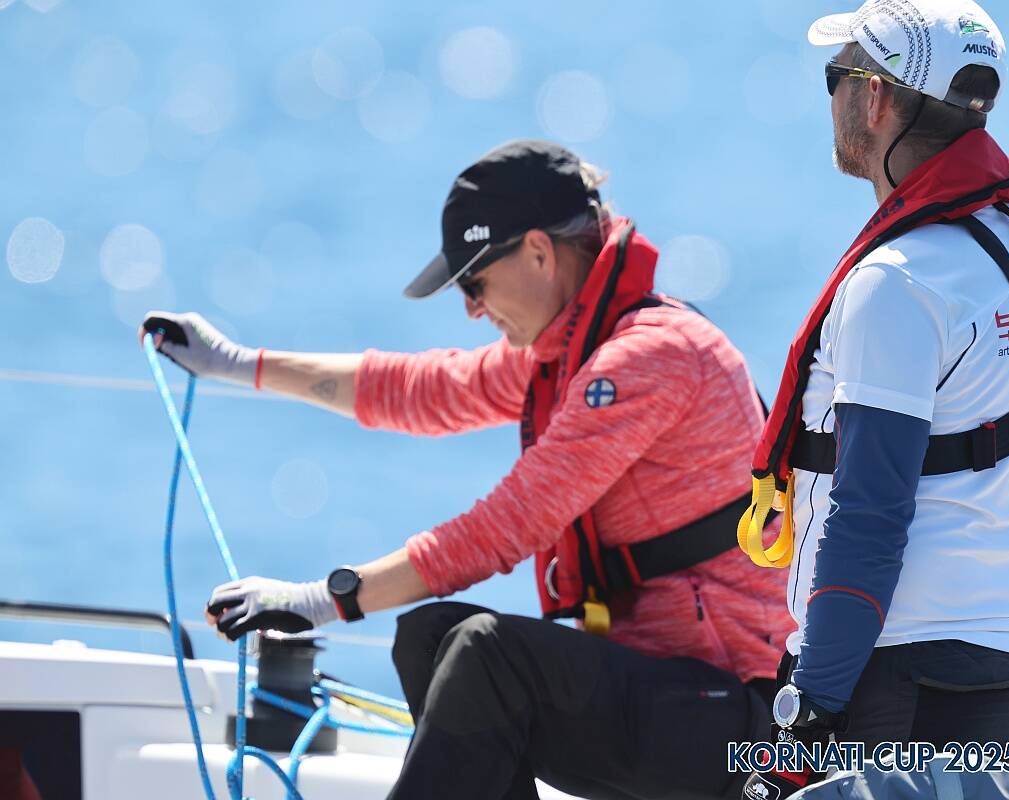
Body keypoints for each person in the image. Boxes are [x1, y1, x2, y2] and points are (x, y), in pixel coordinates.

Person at [141, 140, 793, 800]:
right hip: (663, 698)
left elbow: (507, 527)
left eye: (475, 281)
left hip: (745, 725)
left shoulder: (649, 358)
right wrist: (237, 363)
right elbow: (424, 389)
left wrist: (322, 600)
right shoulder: (572, 354)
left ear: (539, 252)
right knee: (430, 639)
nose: (471, 309)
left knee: (487, 655)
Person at [735, 0, 1009, 794]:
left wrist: (813, 709)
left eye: (837, 77)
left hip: (889, 686)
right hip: (1004, 681)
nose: (830, 100)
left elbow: (870, 514)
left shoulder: (895, 283)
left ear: (876, 98)